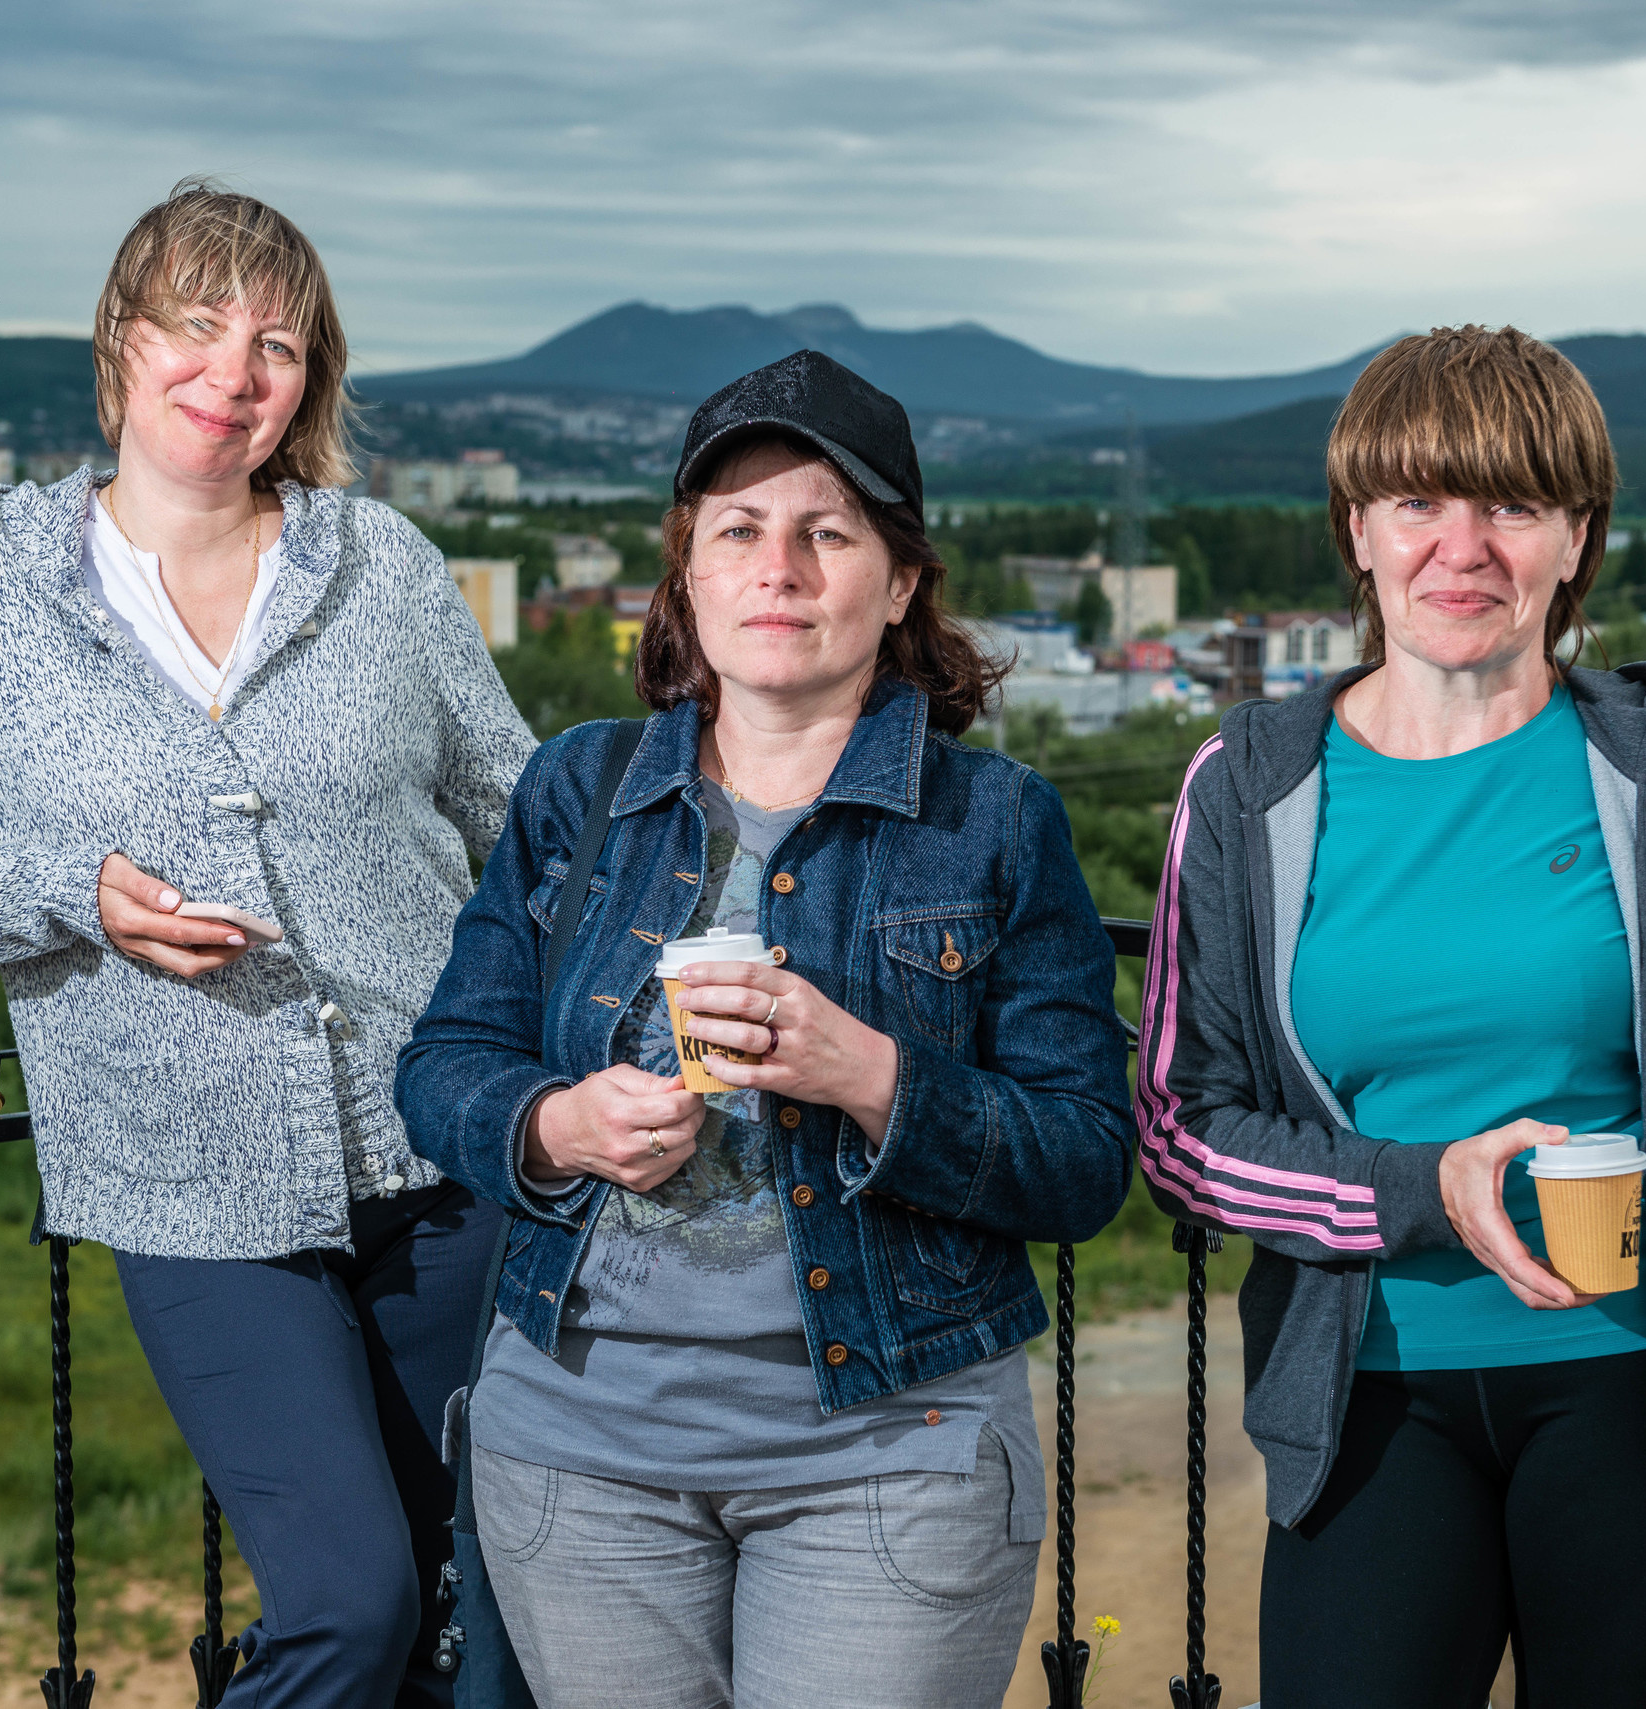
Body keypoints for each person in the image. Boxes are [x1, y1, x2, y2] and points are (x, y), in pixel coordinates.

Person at [1136, 324, 1646, 1708]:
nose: (1461, 548)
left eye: (1514, 504)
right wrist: (1422, 1189)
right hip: (1374, 1388)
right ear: (1358, 530)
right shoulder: (1246, 786)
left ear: (1576, 538)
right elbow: (1178, 1131)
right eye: (1419, 502)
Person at [0, 179, 537, 1709]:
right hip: (193, 1199)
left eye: (277, 342)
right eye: (198, 327)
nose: (233, 372)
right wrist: (73, 891)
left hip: (451, 1169)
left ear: (307, 384)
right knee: (350, 1605)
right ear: (123, 346)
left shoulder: (381, 566)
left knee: (482, 1618)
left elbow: (527, 812)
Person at [394, 349, 1133, 1709]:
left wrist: (872, 1076)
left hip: (890, 1453)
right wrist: (558, 1126)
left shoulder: (994, 822)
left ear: (899, 581)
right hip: (580, 1449)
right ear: (689, 573)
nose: (777, 567)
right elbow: (444, 1066)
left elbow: (1087, 1157)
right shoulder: (582, 789)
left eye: (825, 532)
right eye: (737, 530)